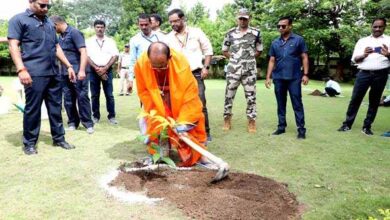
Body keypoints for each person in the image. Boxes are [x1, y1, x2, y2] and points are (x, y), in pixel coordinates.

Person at [8, 0, 76, 155]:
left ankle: (59, 138)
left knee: (55, 108)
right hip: (33, 72)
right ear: (31, 2)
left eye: (48, 6)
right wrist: (21, 69)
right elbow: (13, 45)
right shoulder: (18, 20)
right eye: (42, 5)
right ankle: (29, 143)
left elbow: (56, 47)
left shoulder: (49, 23)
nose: (46, 9)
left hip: (54, 72)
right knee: (33, 110)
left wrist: (69, 65)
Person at [135, 42, 207, 167]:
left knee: (192, 121)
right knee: (155, 121)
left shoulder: (181, 62)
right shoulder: (141, 64)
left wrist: (183, 122)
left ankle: (198, 154)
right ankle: (160, 153)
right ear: (148, 58)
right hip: (155, 98)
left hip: (178, 98)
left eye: (162, 66)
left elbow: (190, 95)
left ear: (169, 58)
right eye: (154, 66)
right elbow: (144, 92)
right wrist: (159, 110)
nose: (157, 69)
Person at [166, 9, 213, 141]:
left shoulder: (196, 32)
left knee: (200, 103)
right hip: (177, 76)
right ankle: (185, 133)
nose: (173, 24)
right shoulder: (168, 37)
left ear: (183, 19)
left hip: (196, 73)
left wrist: (206, 67)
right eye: (171, 22)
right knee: (179, 105)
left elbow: (208, 50)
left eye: (175, 21)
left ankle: (206, 133)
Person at [338, 18, 390, 136]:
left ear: (384, 27)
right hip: (364, 73)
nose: (377, 29)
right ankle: (347, 124)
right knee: (355, 99)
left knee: (374, 101)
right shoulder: (362, 41)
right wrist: (364, 54)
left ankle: (367, 126)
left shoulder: (389, 40)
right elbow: (354, 59)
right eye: (375, 26)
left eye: (380, 27)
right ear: (371, 27)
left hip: (381, 74)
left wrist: (388, 54)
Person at [265, 16, 309, 139]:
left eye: (283, 26)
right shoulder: (275, 42)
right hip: (278, 77)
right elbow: (272, 60)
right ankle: (281, 127)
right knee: (280, 103)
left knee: (297, 103)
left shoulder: (299, 40)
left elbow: (304, 57)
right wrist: (268, 77)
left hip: (294, 77)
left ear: (290, 26)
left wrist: (305, 74)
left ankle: (301, 130)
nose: (280, 28)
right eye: (278, 26)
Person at [50, 15, 94, 134]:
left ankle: (88, 123)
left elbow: (83, 52)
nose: (52, 30)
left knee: (82, 97)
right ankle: (72, 122)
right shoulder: (60, 36)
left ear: (57, 25)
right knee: (68, 98)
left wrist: (82, 70)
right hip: (64, 73)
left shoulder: (74, 32)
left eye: (52, 27)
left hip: (78, 71)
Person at [221, 8, 262, 133]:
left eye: (245, 18)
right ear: (237, 18)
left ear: (249, 18)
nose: (243, 20)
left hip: (249, 71)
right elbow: (224, 50)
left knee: (251, 97)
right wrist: (234, 58)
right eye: (240, 18)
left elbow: (259, 50)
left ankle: (251, 121)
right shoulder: (230, 33)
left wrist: (248, 59)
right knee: (229, 95)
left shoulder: (256, 33)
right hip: (233, 69)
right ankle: (227, 119)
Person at [86, 19, 119, 125]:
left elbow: (115, 56)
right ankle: (95, 116)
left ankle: (112, 116)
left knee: (109, 94)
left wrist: (105, 68)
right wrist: (97, 68)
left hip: (107, 70)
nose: (99, 29)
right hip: (93, 70)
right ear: (94, 28)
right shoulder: (89, 41)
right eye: (97, 27)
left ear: (105, 28)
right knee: (94, 95)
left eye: (101, 27)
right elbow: (86, 56)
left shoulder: (110, 41)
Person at [128, 13, 166, 93]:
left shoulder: (161, 37)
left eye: (146, 24)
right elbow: (132, 60)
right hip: (143, 74)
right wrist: (130, 79)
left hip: (160, 73)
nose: (144, 27)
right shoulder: (134, 40)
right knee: (146, 100)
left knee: (162, 100)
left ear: (150, 23)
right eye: (141, 25)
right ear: (138, 25)